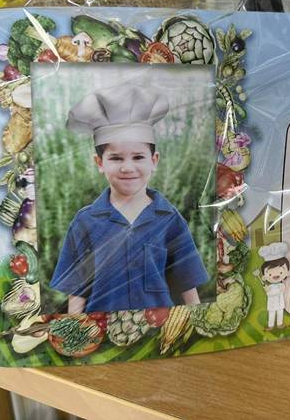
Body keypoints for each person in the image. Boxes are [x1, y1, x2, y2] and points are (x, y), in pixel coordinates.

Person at [50, 84, 209, 314]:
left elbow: (187, 284)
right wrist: (76, 325)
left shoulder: (169, 219)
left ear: (154, 161)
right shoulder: (85, 221)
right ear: (99, 163)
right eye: (116, 158)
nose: (127, 167)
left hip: (159, 327)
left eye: (138, 157)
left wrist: (198, 320)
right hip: (101, 327)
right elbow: (77, 290)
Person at [258, 242, 289, 330]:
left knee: (280, 312)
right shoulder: (270, 286)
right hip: (271, 303)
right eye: (270, 274)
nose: (276, 275)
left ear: (287, 272)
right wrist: (267, 290)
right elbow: (269, 294)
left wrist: (268, 291)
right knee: (271, 313)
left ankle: (280, 324)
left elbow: (278, 292)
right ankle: (270, 325)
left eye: (281, 272)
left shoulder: (281, 285)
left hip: (280, 303)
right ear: (264, 276)